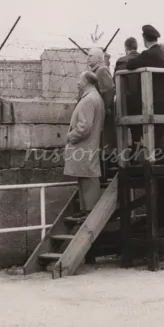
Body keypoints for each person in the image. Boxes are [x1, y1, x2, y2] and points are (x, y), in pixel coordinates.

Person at [126, 25, 164, 160]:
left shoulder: (148, 54)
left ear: (145, 39)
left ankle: (154, 157)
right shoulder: (163, 53)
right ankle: (161, 155)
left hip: (153, 97)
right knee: (160, 129)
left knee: (153, 128)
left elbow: (131, 65)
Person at [64, 71, 105, 218]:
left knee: (88, 175)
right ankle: (85, 209)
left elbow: (84, 126)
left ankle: (89, 210)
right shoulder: (95, 98)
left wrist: (70, 136)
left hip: (84, 145)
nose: (77, 83)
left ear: (86, 82)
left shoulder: (88, 100)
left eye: (79, 80)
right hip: (89, 144)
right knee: (84, 174)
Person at [87, 47, 116, 179]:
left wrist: (105, 108)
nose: (88, 58)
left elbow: (109, 90)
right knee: (101, 142)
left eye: (90, 56)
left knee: (104, 142)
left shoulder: (102, 70)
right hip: (100, 113)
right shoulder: (96, 71)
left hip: (104, 114)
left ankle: (105, 173)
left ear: (98, 58)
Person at [114, 37, 141, 154]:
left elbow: (115, 81)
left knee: (123, 128)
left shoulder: (121, 61)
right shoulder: (143, 59)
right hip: (143, 100)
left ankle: (123, 155)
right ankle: (138, 152)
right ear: (136, 47)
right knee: (139, 129)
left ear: (126, 48)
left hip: (126, 101)